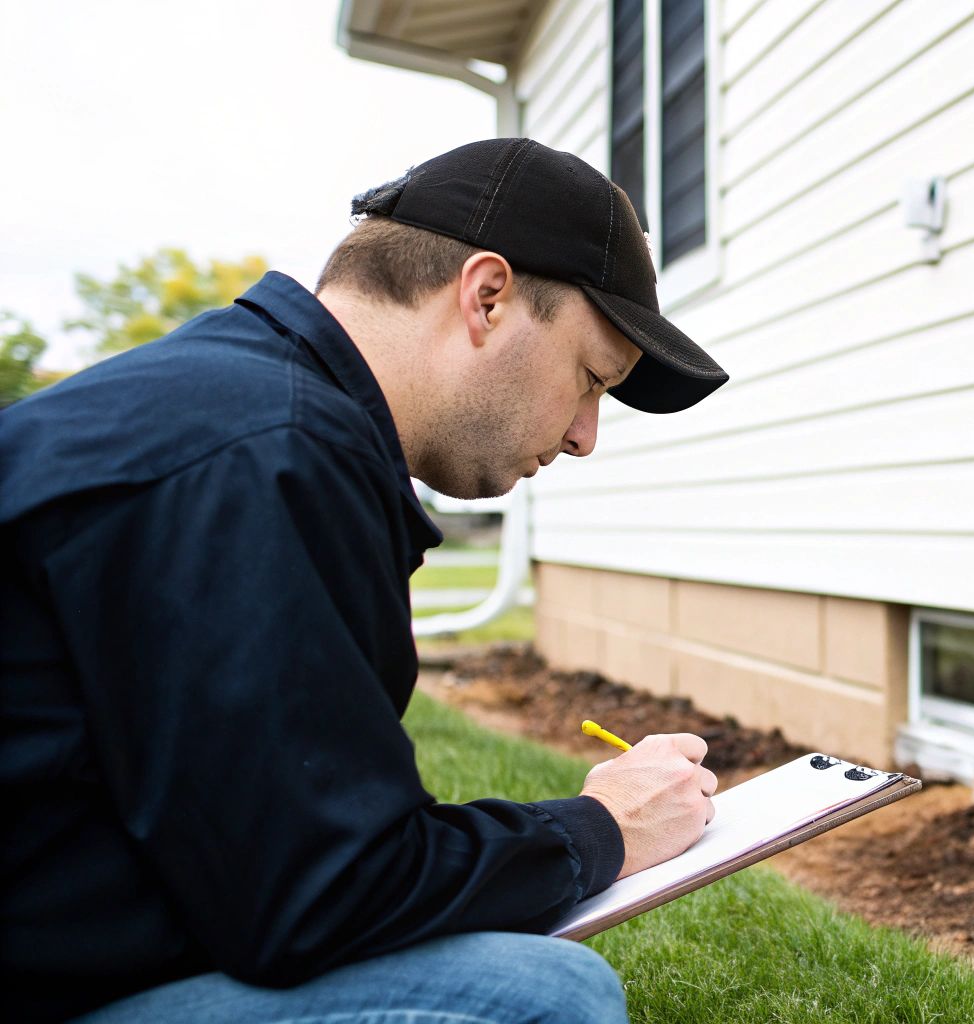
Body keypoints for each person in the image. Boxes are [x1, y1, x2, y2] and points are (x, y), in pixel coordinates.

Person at [0, 139, 730, 1023]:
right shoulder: (270, 454)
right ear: (487, 297)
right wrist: (603, 830)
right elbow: (319, 896)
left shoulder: (243, 404)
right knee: (537, 1003)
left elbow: (279, 853)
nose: (584, 435)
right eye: (590, 378)